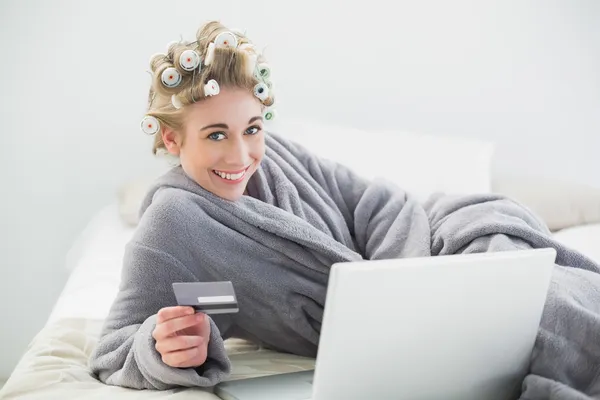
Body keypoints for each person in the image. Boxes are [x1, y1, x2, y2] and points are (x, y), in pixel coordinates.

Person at [89, 20, 600, 399]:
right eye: (215, 135)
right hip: (395, 313)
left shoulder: (282, 156)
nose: (241, 156)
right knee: (533, 321)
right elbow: (115, 346)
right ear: (173, 140)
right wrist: (163, 348)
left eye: (252, 129)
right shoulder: (171, 228)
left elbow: (374, 200)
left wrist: (407, 282)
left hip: (427, 242)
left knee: (549, 293)